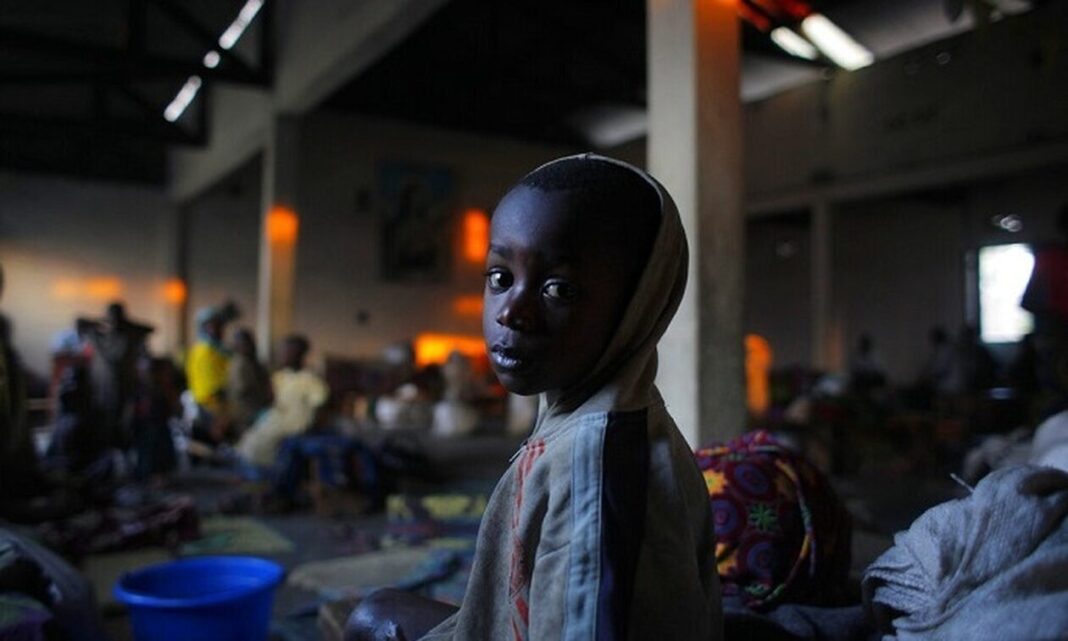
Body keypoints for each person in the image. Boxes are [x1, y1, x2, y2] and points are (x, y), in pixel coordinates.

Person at [348, 154, 721, 640]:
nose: (511, 312)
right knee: (376, 610)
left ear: (638, 306)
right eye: (500, 278)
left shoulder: (594, 475)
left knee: (370, 621)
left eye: (558, 289)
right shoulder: (595, 415)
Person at [236, 334, 329, 469]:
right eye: (280, 351)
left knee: (259, 443)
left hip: (295, 423)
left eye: (286, 351)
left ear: (299, 354)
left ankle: (263, 472)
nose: (281, 355)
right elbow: (271, 399)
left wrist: (311, 429)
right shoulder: (279, 376)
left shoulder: (310, 380)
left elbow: (320, 407)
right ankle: (248, 468)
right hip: (276, 417)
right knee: (250, 437)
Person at [82, 302, 153, 448]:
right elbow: (81, 324)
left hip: (125, 387)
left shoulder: (128, 336)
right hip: (104, 388)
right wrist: (102, 322)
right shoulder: (101, 337)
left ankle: (121, 445)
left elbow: (150, 329)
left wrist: (123, 324)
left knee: (124, 421)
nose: (115, 323)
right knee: (106, 421)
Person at [185, 303, 238, 445]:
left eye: (220, 326)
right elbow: (214, 388)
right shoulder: (204, 351)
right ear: (203, 328)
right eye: (213, 326)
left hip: (219, 404)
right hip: (210, 406)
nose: (218, 330)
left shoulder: (219, 350)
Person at [227, 328, 273, 432]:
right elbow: (242, 390)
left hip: (258, 409)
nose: (248, 346)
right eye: (243, 343)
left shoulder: (254, 362)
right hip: (246, 412)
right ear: (237, 346)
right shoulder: (239, 363)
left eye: (249, 342)